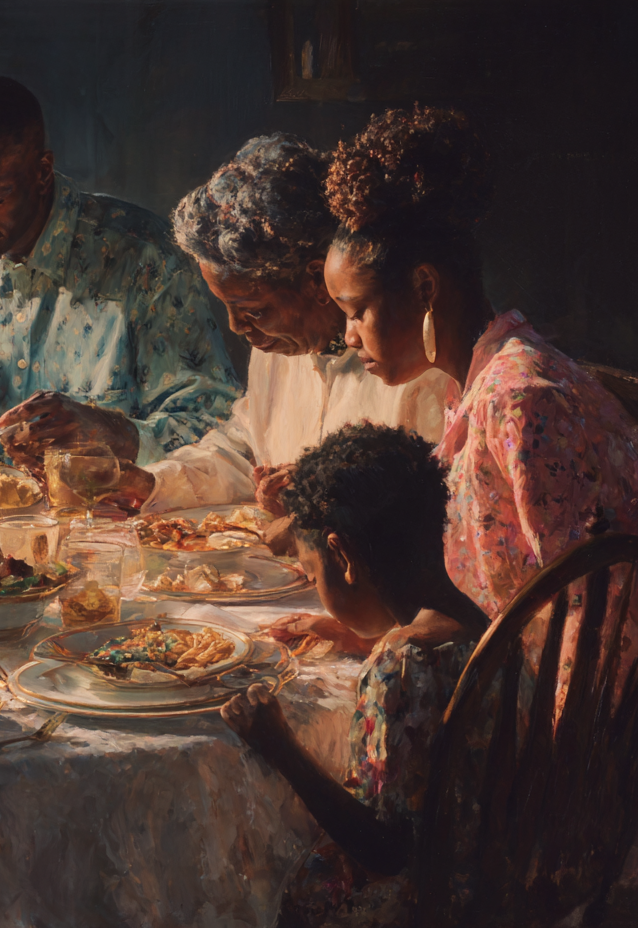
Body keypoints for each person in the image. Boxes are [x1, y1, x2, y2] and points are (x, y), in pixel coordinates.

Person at [319, 105, 638, 635]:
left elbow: (588, 626)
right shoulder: (472, 385)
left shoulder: (519, 399)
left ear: (425, 287)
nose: (349, 338)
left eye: (357, 312)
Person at [0, 76, 239, 469]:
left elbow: (212, 423)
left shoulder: (145, 255)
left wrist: (114, 433)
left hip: (98, 521)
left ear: (42, 172)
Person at [221, 423, 489, 928]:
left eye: (312, 570)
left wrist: (280, 745)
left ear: (343, 557)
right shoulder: (483, 621)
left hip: (435, 904)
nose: (315, 584)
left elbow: (387, 851)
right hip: (502, 873)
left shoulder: (402, 665)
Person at [108, 134, 454, 512]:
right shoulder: (278, 350)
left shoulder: (418, 366)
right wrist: (152, 482)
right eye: (226, 307)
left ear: (315, 280)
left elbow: (432, 512)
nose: (237, 327)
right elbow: (244, 447)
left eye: (254, 310)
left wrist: (322, 498)